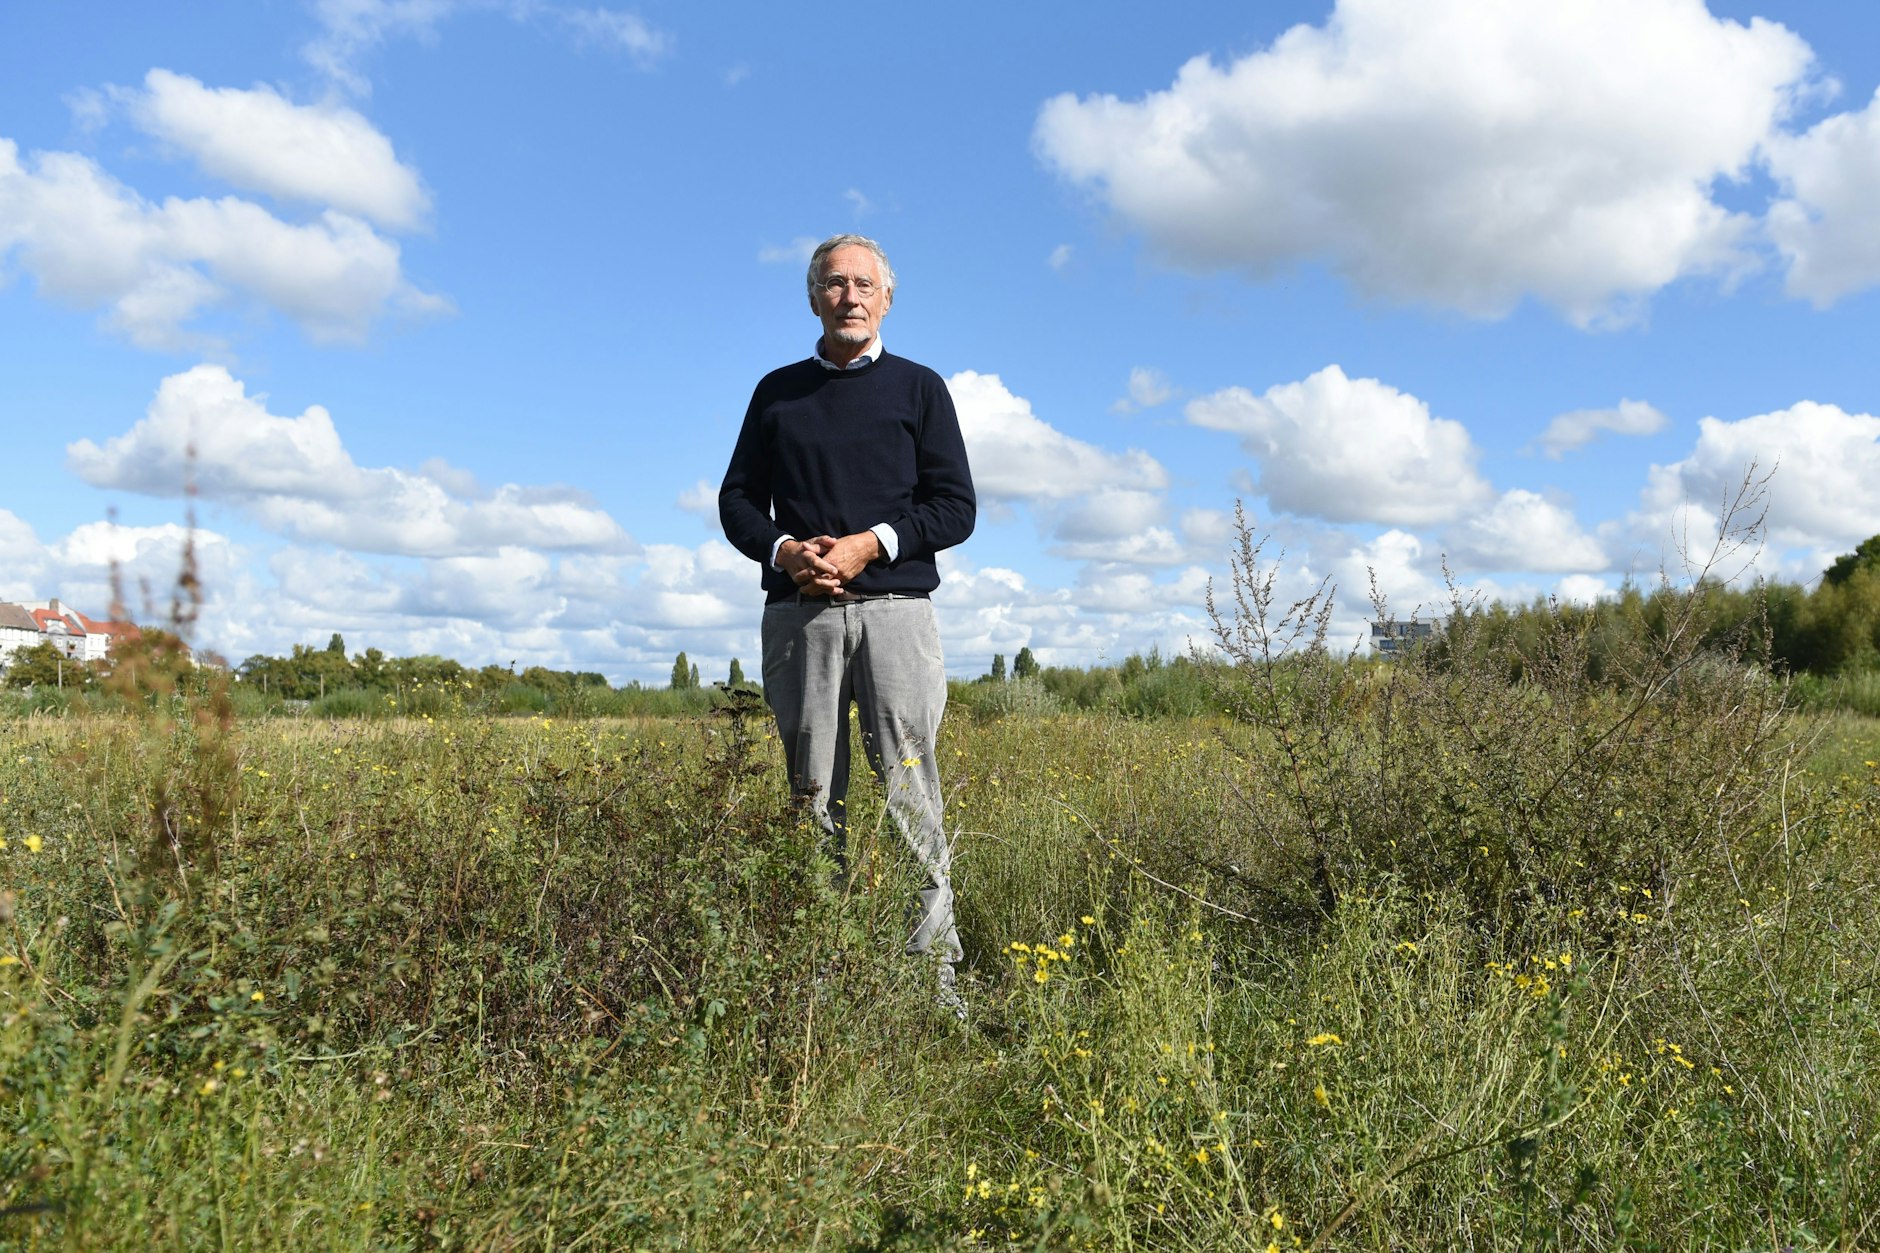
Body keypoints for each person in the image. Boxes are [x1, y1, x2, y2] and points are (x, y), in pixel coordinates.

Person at [718, 233, 976, 1017]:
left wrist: (871, 544)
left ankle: (935, 987)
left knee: (910, 796)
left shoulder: (920, 389)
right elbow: (736, 503)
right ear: (813, 297)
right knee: (811, 799)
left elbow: (954, 506)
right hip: (802, 619)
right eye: (834, 283)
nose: (850, 295)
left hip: (897, 614)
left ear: (887, 298)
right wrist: (787, 549)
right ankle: (817, 984)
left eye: (864, 283)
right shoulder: (776, 393)